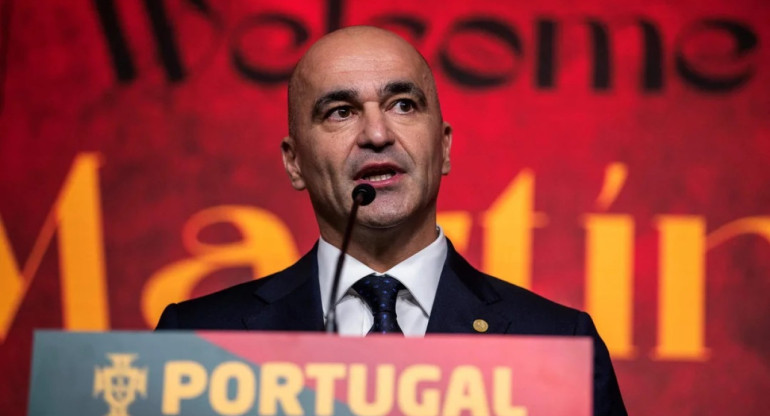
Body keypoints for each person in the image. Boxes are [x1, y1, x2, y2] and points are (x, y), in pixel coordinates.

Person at [156, 26, 626, 415]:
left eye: (403, 104)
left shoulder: (558, 345)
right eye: (340, 112)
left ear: (443, 146)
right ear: (294, 162)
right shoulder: (199, 342)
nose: (377, 134)